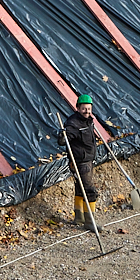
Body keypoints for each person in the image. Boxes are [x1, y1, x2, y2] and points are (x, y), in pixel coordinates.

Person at [62, 95, 99, 230]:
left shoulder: (88, 121)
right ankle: (90, 222)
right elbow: (62, 141)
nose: (87, 111)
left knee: (80, 188)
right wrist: (63, 135)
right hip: (80, 162)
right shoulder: (73, 124)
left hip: (88, 159)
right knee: (89, 190)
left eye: (89, 109)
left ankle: (79, 217)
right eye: (84, 109)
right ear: (77, 108)